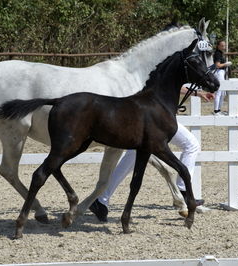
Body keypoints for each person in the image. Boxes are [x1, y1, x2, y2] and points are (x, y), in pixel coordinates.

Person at [89, 85, 214, 222]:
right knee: (191, 144)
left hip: (145, 113)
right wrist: (196, 92)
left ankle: (101, 200)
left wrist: (196, 92)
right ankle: (183, 190)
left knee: (133, 155)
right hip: (154, 116)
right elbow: (164, 83)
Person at [212, 40, 232, 116]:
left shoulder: (221, 53)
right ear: (218, 46)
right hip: (219, 72)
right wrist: (226, 64)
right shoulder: (217, 54)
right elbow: (218, 65)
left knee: (222, 92)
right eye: (222, 45)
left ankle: (219, 109)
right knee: (219, 92)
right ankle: (216, 110)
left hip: (222, 72)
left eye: (224, 45)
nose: (224, 47)